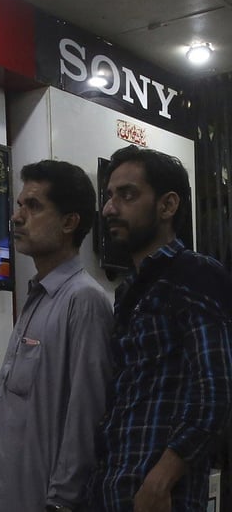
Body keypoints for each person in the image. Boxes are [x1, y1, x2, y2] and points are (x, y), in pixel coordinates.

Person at [0, 159, 112, 512]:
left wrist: (61, 503)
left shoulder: (83, 300)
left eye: (34, 206)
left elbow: (86, 418)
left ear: (70, 222)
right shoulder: (38, 295)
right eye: (20, 205)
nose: (17, 217)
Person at [86, 145, 232, 512]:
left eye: (127, 195)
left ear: (167, 206)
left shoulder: (195, 273)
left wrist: (162, 476)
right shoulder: (127, 291)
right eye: (109, 196)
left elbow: (215, 391)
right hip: (113, 487)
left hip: (162, 496)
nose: (109, 209)